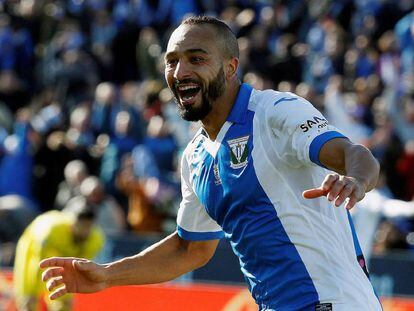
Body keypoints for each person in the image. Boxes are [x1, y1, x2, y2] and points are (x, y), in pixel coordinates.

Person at [40, 16, 382, 310]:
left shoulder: (276, 112)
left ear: (230, 67)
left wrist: (356, 180)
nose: (180, 71)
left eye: (196, 59)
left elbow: (354, 154)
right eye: (171, 61)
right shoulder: (195, 157)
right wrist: (107, 275)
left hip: (334, 302)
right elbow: (190, 248)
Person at [14, 198, 104, 311]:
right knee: (28, 299)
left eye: (88, 227)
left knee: (64, 302)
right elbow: (38, 262)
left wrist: (66, 296)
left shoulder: (96, 239)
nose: (84, 231)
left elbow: (77, 269)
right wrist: (32, 292)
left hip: (60, 257)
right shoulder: (52, 231)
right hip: (32, 248)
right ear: (73, 224)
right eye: (81, 226)